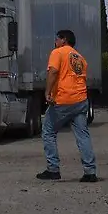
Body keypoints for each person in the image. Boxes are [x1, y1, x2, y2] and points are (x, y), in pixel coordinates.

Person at [36, 29, 98, 182]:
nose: (55, 42)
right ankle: (90, 171)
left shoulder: (58, 53)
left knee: (48, 131)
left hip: (64, 99)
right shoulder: (80, 58)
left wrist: (47, 92)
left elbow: (53, 72)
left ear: (64, 39)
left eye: (57, 39)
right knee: (83, 136)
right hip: (81, 100)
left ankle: (53, 169)